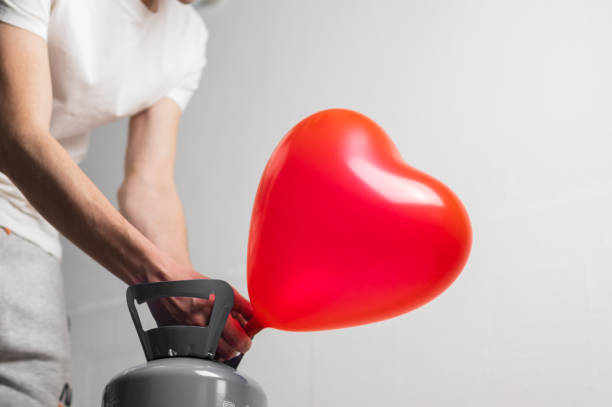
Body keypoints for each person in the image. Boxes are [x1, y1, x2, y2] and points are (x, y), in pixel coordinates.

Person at [0, 1, 254, 406]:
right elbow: (17, 138)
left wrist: (186, 296)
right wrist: (156, 277)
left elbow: (148, 186)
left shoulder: (186, 37)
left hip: (32, 221)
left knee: (37, 391)